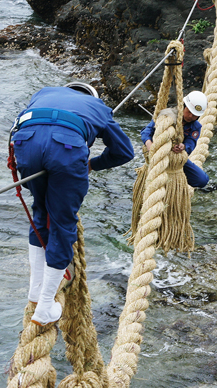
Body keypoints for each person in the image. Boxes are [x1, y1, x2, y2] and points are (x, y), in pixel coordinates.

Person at [10, 82, 135, 326]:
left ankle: (34, 293)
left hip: (27, 144)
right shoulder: (98, 107)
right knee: (62, 223)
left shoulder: (43, 93)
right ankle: (45, 306)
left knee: (41, 212)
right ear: (92, 96)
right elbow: (124, 152)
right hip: (65, 150)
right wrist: (92, 164)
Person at [141, 90, 210, 188]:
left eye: (195, 115)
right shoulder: (166, 115)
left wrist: (184, 146)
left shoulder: (196, 126)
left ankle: (177, 181)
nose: (191, 116)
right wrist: (149, 144)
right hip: (158, 155)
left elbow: (191, 142)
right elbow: (146, 131)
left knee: (202, 180)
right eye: (189, 112)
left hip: (176, 158)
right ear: (183, 106)